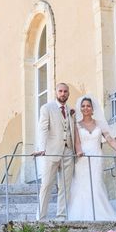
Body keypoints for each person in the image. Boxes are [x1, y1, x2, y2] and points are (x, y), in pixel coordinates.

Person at [68, 95, 116, 221]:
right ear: (80, 109)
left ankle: (100, 214)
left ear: (92, 109)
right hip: (83, 159)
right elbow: (77, 142)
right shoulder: (76, 125)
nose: (86, 108)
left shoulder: (99, 124)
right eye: (83, 106)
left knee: (96, 184)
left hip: (96, 158)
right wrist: (79, 152)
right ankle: (81, 215)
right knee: (81, 186)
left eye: (88, 106)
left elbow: (109, 139)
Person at [33, 83, 75, 220]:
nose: (63, 94)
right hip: (51, 151)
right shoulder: (47, 108)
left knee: (65, 186)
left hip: (68, 150)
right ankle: (40, 217)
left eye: (65, 91)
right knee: (46, 185)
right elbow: (43, 129)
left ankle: (61, 215)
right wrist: (42, 148)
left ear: (68, 93)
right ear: (56, 92)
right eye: (60, 91)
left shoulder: (70, 110)